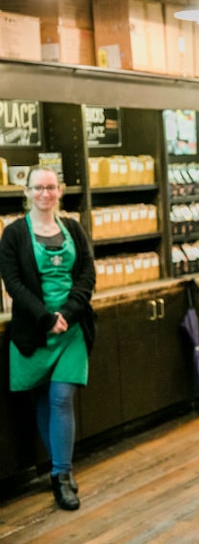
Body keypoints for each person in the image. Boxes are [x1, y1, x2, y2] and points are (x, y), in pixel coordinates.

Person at [0, 167, 95, 511]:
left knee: (60, 398)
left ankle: (61, 474)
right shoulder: (13, 234)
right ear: (26, 192)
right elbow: (13, 283)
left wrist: (67, 314)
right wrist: (45, 318)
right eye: (38, 187)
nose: (45, 193)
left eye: (51, 187)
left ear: (60, 191)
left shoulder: (72, 227)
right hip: (33, 332)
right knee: (43, 399)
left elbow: (87, 273)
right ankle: (60, 469)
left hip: (71, 330)